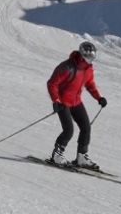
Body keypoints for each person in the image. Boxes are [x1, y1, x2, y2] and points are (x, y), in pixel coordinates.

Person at [46, 41, 107, 169]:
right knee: (68, 130)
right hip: (63, 102)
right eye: (89, 57)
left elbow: (90, 84)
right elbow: (52, 83)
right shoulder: (67, 67)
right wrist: (56, 101)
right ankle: (57, 155)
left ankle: (81, 157)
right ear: (82, 55)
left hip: (76, 101)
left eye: (93, 57)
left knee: (86, 127)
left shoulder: (88, 69)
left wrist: (99, 98)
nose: (91, 60)